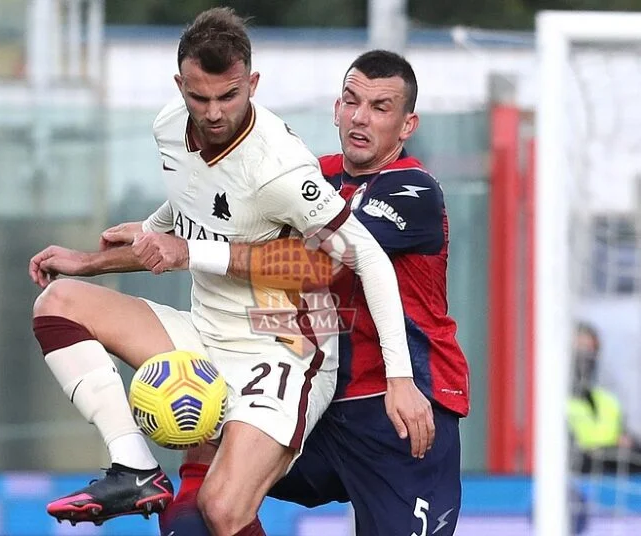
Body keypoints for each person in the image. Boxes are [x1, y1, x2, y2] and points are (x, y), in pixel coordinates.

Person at [28, 10, 433, 536]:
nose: (214, 112)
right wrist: (91, 261)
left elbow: (355, 259)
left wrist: (401, 377)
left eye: (229, 96)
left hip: (283, 347)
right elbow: (192, 213)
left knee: (222, 510)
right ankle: (135, 468)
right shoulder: (168, 129)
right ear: (180, 86)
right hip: (203, 337)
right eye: (200, 98)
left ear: (252, 84)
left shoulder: (282, 166)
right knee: (59, 302)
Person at [155, 50, 470, 536]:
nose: (361, 117)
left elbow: (317, 261)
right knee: (203, 489)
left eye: (380, 108)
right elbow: (199, 225)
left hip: (398, 409)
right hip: (317, 400)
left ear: (408, 126)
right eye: (352, 101)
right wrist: (96, 259)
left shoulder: (412, 190)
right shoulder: (308, 177)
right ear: (336, 108)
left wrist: (193, 250)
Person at [568, 321, 641, 474]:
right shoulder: (550, 403)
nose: (586, 357)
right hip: (578, 477)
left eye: (591, 350)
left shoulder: (607, 401)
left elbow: (627, 441)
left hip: (612, 476)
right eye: (580, 349)